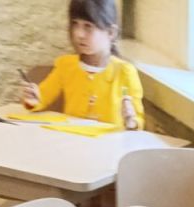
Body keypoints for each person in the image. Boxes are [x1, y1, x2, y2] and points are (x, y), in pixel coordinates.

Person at [20, 0, 143, 130]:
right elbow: (42, 98)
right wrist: (33, 99)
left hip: (109, 141)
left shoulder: (124, 72)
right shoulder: (65, 66)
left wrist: (131, 121)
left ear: (111, 32)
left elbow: (137, 119)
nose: (79, 34)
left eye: (88, 26)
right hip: (72, 139)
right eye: (75, 24)